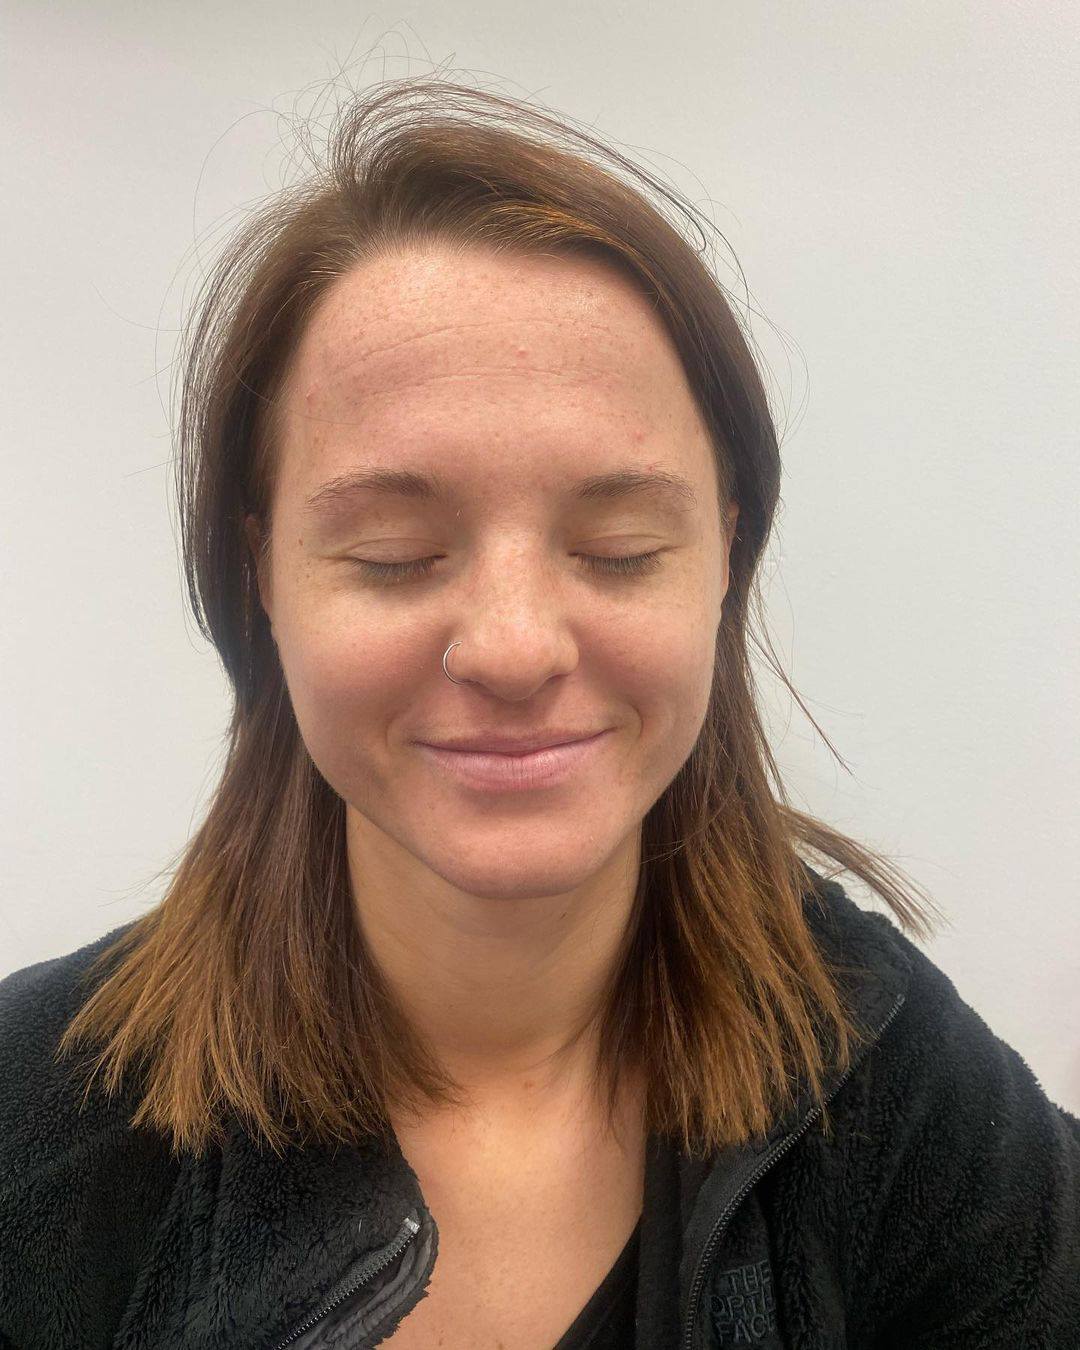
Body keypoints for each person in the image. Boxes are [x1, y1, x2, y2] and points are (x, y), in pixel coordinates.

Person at [1, 75, 1077, 1350]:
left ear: (725, 560)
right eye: (395, 555)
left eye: (619, 549)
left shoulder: (894, 1086)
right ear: (262, 577)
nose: (514, 647)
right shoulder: (33, 1129)